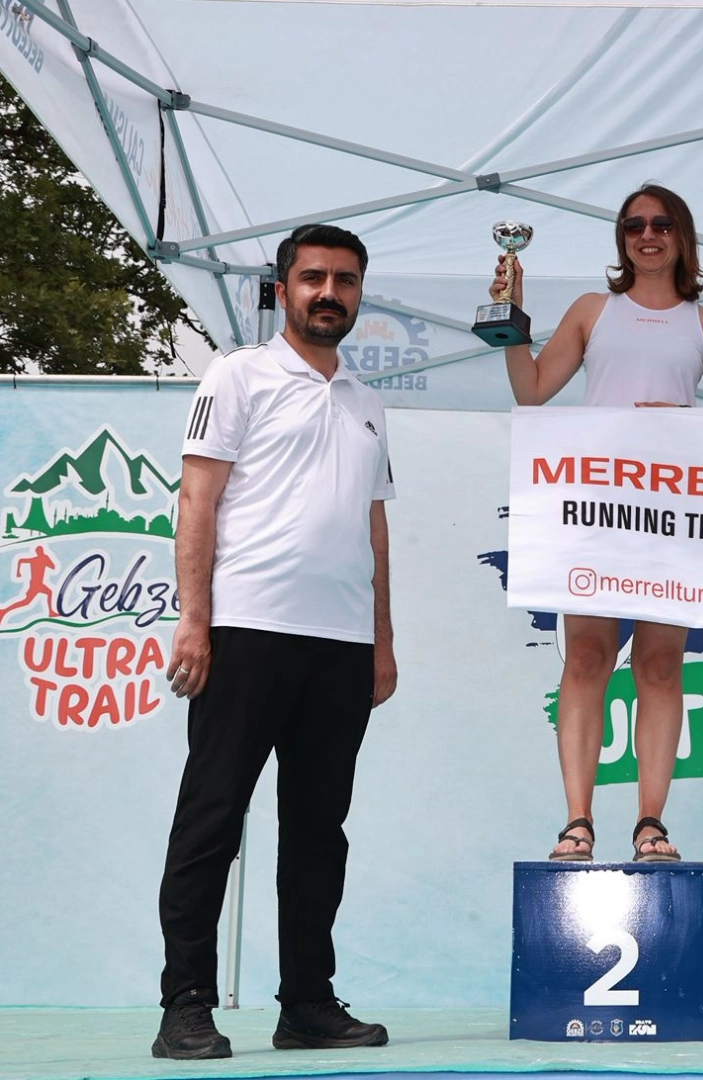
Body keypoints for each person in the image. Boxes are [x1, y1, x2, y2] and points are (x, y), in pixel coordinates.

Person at [154, 224, 396, 1060]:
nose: (329, 293)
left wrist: (381, 641)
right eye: (313, 278)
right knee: (212, 818)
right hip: (247, 630)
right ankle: (185, 1004)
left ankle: (308, 1005)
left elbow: (372, 527)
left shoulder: (366, 402)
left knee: (319, 831)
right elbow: (198, 499)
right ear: (284, 288)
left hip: (341, 645)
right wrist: (195, 619)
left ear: (359, 293)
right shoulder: (238, 374)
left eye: (345, 280)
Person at [496, 183, 703, 863]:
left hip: (672, 515)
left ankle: (650, 823)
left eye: (661, 224)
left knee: (661, 666)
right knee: (587, 658)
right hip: (597, 509)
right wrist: (512, 325)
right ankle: (577, 821)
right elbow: (532, 391)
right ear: (621, 238)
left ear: (682, 235)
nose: (647, 235)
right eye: (634, 225)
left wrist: (681, 424)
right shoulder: (592, 310)